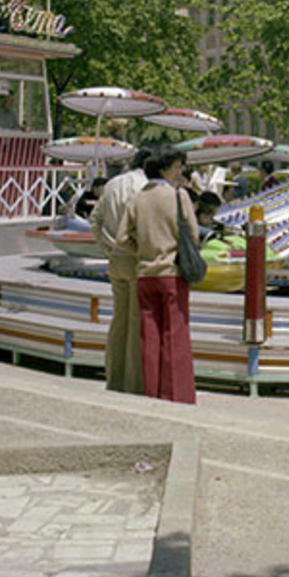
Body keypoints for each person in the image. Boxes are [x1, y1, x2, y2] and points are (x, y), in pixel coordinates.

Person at [117, 148, 198, 404]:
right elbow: (193, 235)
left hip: (145, 273)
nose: (180, 172)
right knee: (175, 336)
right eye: (176, 167)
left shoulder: (137, 199)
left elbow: (121, 239)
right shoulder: (179, 196)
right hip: (171, 272)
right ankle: (176, 396)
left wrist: (142, 251)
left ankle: (151, 393)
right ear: (164, 169)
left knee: (148, 337)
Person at [91, 149, 152, 394]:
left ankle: (114, 378)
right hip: (137, 258)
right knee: (136, 322)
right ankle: (133, 383)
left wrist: (107, 248)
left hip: (116, 259)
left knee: (119, 321)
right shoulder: (147, 187)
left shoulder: (113, 184)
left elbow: (94, 221)